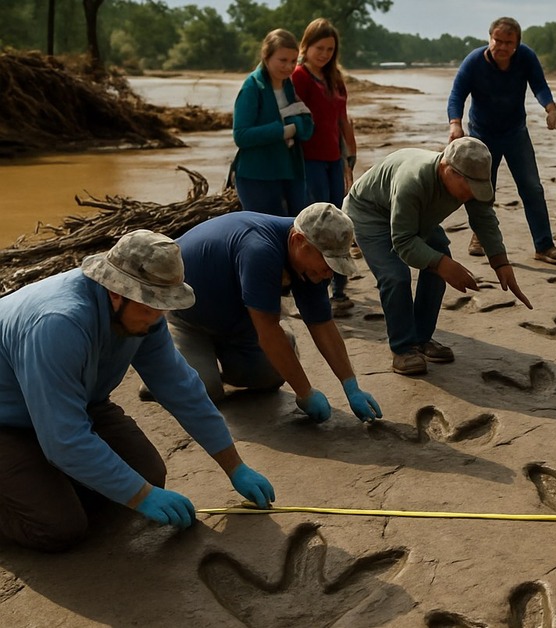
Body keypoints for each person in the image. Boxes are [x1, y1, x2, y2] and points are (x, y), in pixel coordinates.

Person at [0, 231, 275, 552]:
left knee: (149, 474)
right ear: (116, 293)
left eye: (163, 306)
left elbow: (179, 386)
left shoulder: (143, 314)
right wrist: (140, 495)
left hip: (71, 403)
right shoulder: (58, 323)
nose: (157, 317)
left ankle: (39, 476)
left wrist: (234, 466)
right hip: (7, 422)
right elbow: (64, 440)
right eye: (150, 307)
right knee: (59, 526)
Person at [167, 203, 381, 423]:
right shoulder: (261, 249)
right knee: (204, 390)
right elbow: (268, 331)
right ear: (299, 242)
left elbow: (322, 324)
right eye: (327, 262)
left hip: (237, 324)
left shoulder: (312, 261)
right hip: (189, 320)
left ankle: (215, 360)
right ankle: (166, 361)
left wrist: (351, 385)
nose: (329, 272)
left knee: (270, 376)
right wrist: (305, 393)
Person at [344, 137, 533, 376]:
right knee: (396, 276)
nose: (471, 194)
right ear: (448, 170)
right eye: (468, 187)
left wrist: (500, 261)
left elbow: (483, 218)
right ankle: (403, 348)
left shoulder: (470, 180)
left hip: (417, 214)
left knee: (440, 256)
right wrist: (443, 265)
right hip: (370, 213)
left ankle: (422, 338)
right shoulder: (413, 180)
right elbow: (402, 241)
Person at [448, 16, 556, 266]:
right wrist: (455, 124)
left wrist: (551, 109)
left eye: (508, 42)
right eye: (497, 40)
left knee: (532, 188)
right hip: (482, 135)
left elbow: (540, 85)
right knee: (483, 189)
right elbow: (457, 94)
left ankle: (544, 246)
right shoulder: (473, 62)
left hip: (515, 133)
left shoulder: (526, 57)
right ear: (489, 38)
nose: (502, 46)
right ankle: (480, 237)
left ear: (517, 44)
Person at [292, 18, 358, 314]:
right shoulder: (299, 77)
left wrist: (351, 152)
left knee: (339, 219)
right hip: (309, 160)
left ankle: (340, 288)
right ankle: (315, 284)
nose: (325, 54)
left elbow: (343, 118)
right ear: (305, 46)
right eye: (319, 48)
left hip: (334, 158)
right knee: (316, 223)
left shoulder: (335, 79)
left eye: (330, 49)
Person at [232, 28, 314, 217]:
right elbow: (241, 135)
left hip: (289, 171)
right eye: (283, 60)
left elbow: (304, 120)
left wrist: (296, 127)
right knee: (265, 234)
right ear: (266, 56)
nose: (289, 67)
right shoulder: (252, 87)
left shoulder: (288, 85)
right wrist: (283, 132)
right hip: (257, 175)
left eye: (293, 61)